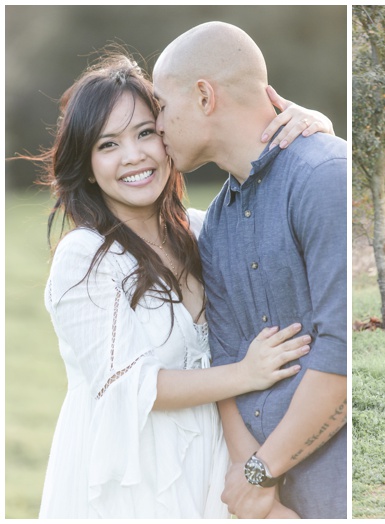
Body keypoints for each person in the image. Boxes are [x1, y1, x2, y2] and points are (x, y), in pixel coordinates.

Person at [31, 52, 331, 518]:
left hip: (213, 462)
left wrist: (318, 135)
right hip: (135, 474)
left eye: (145, 132)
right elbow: (127, 386)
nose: (134, 156)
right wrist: (246, 374)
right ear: (87, 165)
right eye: (108, 145)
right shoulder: (85, 257)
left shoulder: (203, 229)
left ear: (168, 133)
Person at [152, 21, 347, 519]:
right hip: (264, 499)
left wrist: (262, 470)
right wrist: (254, 488)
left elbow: (345, 352)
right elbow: (225, 359)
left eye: (160, 106)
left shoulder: (323, 177)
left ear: (203, 97)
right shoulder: (215, 223)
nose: (157, 127)